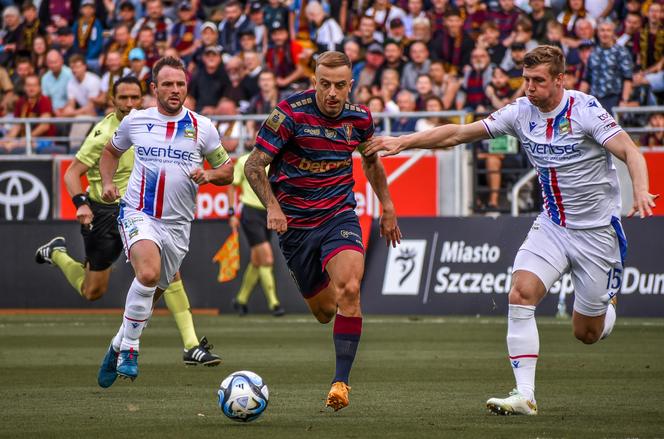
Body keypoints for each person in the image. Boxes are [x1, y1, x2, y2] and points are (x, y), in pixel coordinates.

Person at [363, 45, 658, 415]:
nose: (529, 87)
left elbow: (631, 151)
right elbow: (458, 133)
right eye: (526, 79)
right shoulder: (520, 112)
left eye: (538, 81)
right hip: (552, 225)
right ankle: (525, 395)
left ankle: (607, 305)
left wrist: (642, 189)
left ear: (559, 80)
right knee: (520, 293)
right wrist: (403, 141)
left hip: (597, 232)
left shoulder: (586, 110)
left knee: (587, 333)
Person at [34, 75, 223, 376]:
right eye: (123, 98)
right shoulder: (105, 132)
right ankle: (57, 253)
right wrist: (81, 202)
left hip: (142, 213)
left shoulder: (154, 124)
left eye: (134, 98)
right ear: (113, 99)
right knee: (93, 290)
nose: (130, 104)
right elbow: (72, 173)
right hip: (103, 214)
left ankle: (189, 345)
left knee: (161, 275)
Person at [245, 51, 401, 411]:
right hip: (295, 225)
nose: (332, 93)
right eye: (325, 84)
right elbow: (254, 165)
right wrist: (272, 205)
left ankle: (340, 383)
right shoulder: (289, 113)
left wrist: (388, 206)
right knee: (324, 311)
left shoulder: (360, 118)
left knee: (350, 287)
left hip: (338, 214)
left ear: (351, 85)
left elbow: (371, 160)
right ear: (314, 81)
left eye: (340, 85)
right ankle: (327, 297)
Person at [96, 57, 234, 384]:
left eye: (181, 84)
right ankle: (130, 347)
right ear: (154, 88)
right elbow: (110, 153)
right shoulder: (136, 121)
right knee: (147, 272)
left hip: (177, 226)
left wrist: (211, 174)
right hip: (138, 212)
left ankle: (117, 343)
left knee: (151, 293)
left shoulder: (203, 127)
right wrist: (106, 183)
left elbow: (228, 170)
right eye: (168, 84)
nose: (175, 90)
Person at [228, 150, 285, 317]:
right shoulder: (244, 161)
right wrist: (231, 213)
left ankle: (240, 300)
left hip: (269, 213)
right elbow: (232, 186)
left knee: (257, 260)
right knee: (266, 258)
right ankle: (274, 304)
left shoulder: (275, 162)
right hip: (251, 213)